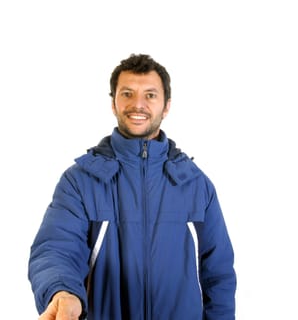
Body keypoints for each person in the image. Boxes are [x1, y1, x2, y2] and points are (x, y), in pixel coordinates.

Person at [28, 54, 237, 319]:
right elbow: (55, 248)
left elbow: (218, 275)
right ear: (114, 103)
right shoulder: (80, 181)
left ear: (166, 106)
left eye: (150, 95)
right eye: (127, 93)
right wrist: (62, 292)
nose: (137, 104)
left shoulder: (196, 185)